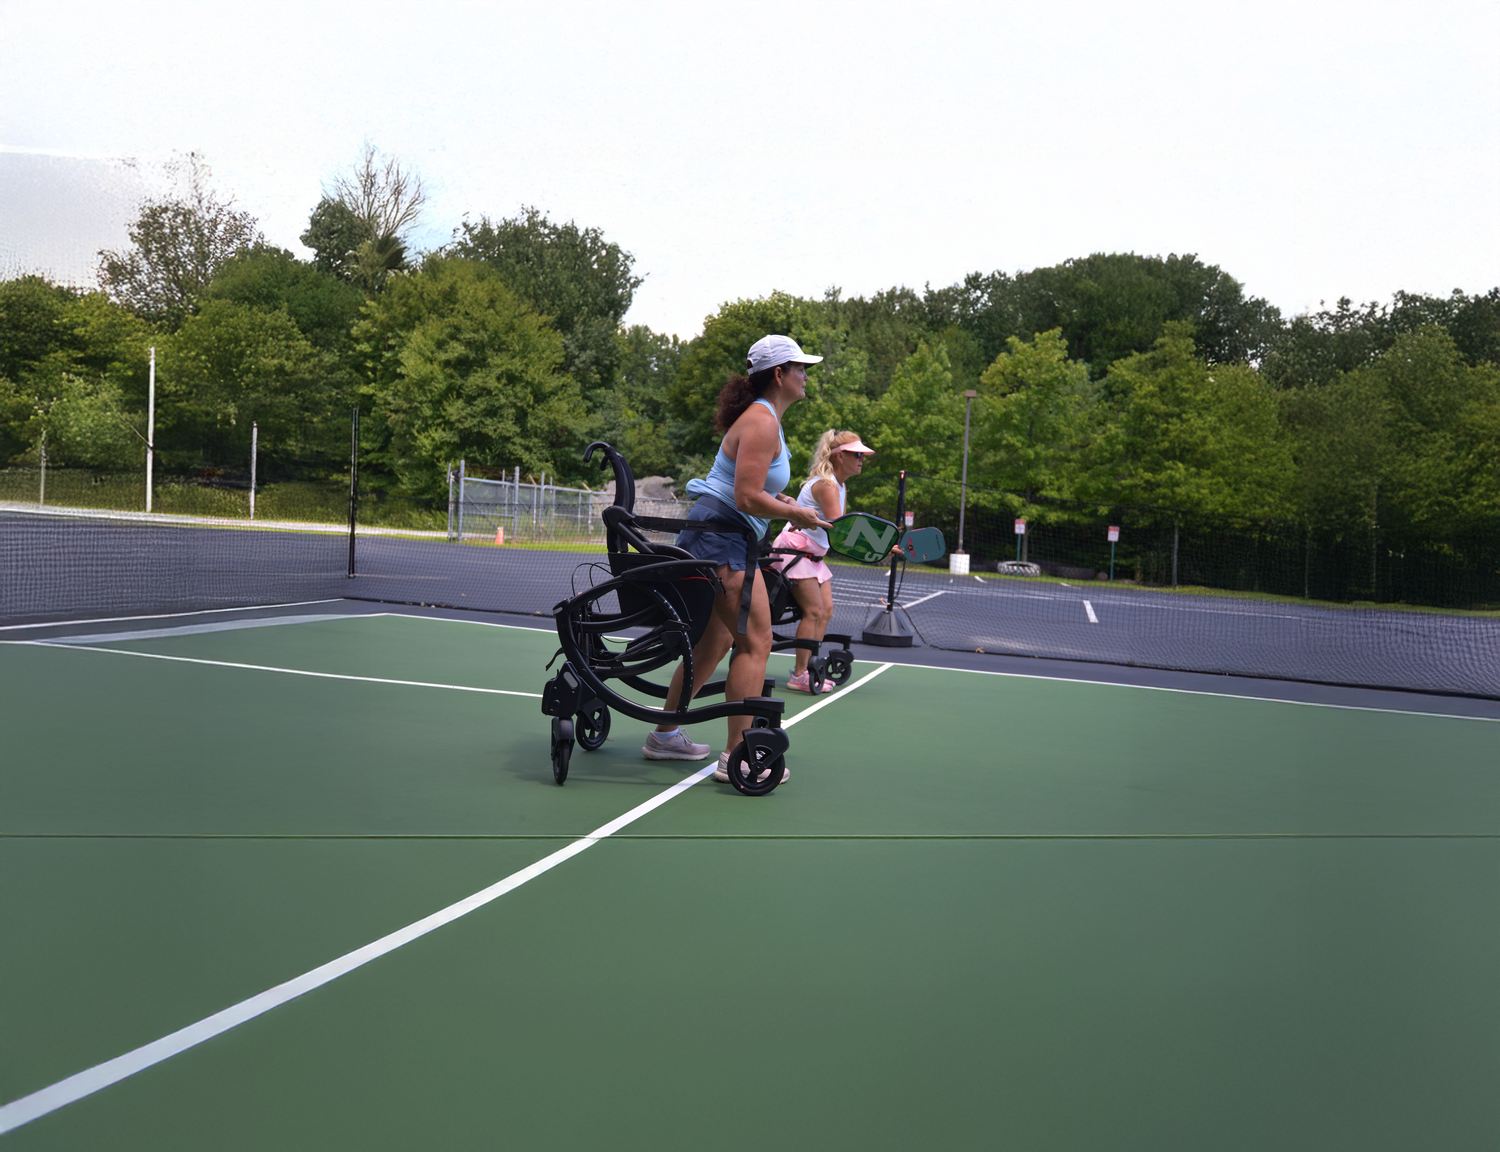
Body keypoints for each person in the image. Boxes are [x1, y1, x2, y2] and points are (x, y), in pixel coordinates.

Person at [640, 334, 831, 785]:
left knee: (718, 640)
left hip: (724, 532)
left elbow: (750, 488)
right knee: (757, 642)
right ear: (779, 375)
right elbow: (745, 497)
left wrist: (781, 499)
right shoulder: (762, 422)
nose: (807, 375)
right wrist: (796, 511)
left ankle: (665, 735)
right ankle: (737, 756)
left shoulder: (767, 421)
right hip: (722, 537)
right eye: (800, 367)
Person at [769, 429, 874, 692]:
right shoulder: (827, 485)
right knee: (814, 611)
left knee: (826, 611)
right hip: (795, 553)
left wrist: (884, 545)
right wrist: (877, 545)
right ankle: (800, 674)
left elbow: (842, 529)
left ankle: (810, 666)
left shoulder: (840, 485)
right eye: (858, 454)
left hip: (813, 555)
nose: (863, 459)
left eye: (863, 455)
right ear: (840, 457)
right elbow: (840, 530)